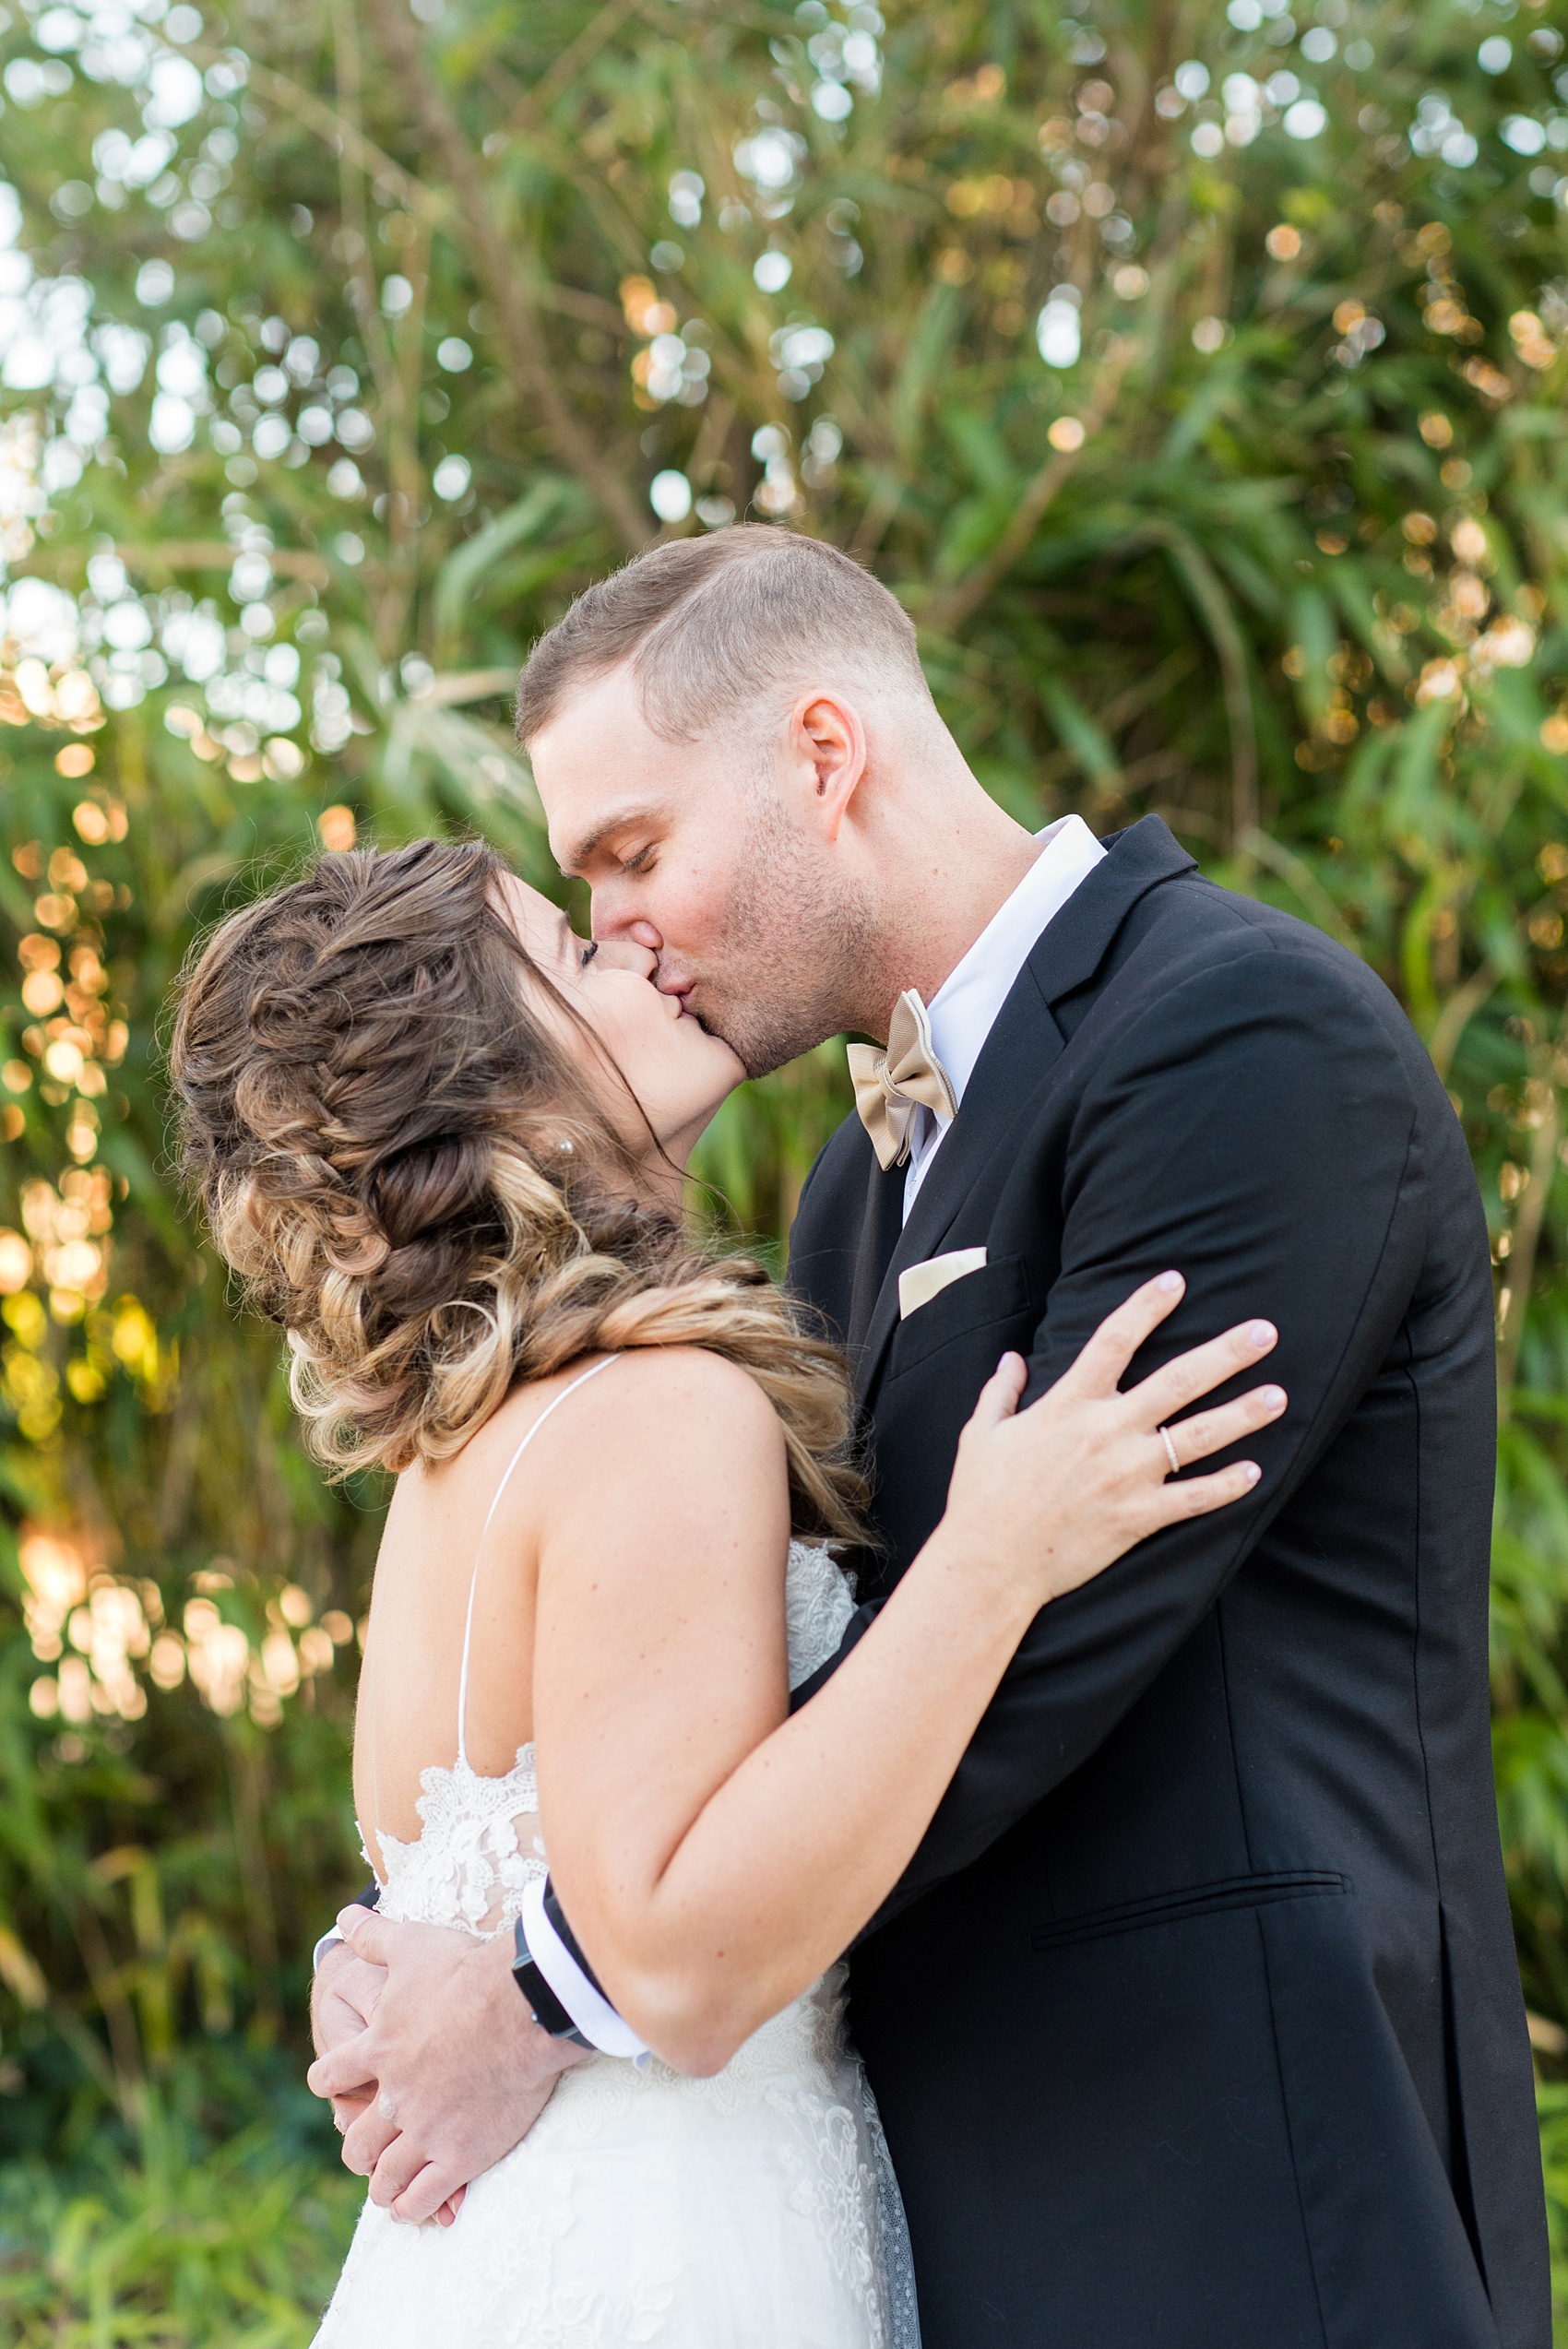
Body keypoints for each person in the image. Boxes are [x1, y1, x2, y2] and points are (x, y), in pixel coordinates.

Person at [309, 528, 1548, 2349]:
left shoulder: (1238, 1040)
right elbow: (726, 1688)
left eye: (635, 855)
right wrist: (418, 1910)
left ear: (824, 753)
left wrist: (535, 1988)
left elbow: (1024, 1666)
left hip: (1232, 2182)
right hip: (942, 2204)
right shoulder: (844, 1186)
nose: (623, 931)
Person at [170, 836, 1278, 2349]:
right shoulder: (657, 1407)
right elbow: (682, 1965)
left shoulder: (459, 1448)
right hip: (670, 2256)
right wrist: (995, 1555)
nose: (631, 948)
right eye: (572, 958)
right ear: (491, 1100)